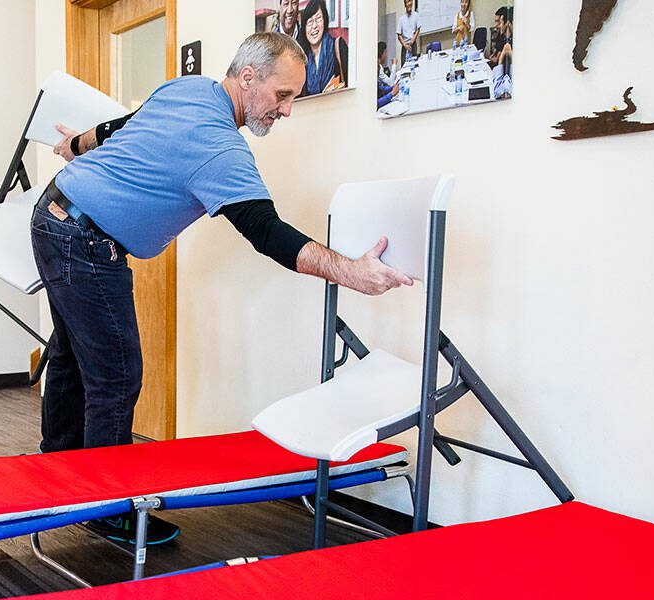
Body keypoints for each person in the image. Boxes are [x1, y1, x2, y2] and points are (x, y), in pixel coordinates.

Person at [32, 32, 413, 545]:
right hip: (83, 239)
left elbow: (121, 127)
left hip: (54, 218)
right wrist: (354, 272)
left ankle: (55, 474)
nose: (287, 111)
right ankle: (105, 508)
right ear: (249, 77)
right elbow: (268, 233)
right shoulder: (220, 148)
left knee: (74, 354)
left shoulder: (188, 88)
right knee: (117, 375)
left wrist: (75, 145)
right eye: (283, 96)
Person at [296, 0, 348, 96]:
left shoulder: (338, 46)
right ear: (304, 28)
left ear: (325, 21)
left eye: (318, 18)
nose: (314, 26)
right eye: (310, 22)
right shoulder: (302, 58)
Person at [378, 42, 401, 110]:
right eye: (385, 53)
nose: (386, 55)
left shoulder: (379, 67)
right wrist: (391, 94)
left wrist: (392, 88)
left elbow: (381, 88)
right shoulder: (378, 67)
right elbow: (376, 103)